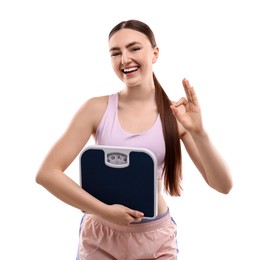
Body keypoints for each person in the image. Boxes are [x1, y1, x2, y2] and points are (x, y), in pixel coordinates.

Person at [35, 19, 233, 260]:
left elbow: (223, 185)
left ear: (155, 53)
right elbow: (47, 173)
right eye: (115, 53)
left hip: (155, 237)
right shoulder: (96, 108)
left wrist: (200, 133)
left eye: (134, 48)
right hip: (101, 237)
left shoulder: (176, 115)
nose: (124, 59)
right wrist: (105, 211)